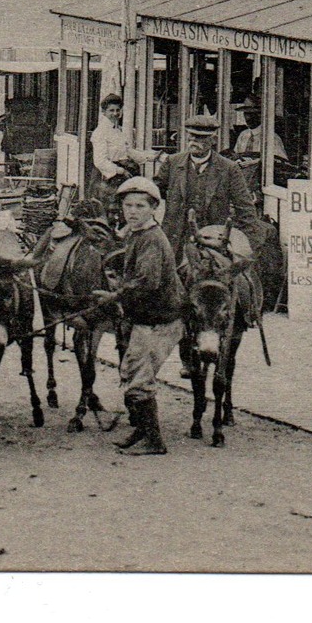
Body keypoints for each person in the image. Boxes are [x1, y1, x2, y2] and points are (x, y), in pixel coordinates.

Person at [106, 177, 184, 457]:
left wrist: (115, 295)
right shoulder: (137, 234)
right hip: (146, 318)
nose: (133, 211)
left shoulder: (151, 238)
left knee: (139, 380)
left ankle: (154, 442)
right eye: (128, 205)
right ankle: (141, 430)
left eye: (140, 206)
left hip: (159, 321)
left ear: (153, 208)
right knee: (130, 372)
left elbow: (148, 282)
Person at [158, 112, 264, 255]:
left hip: (212, 246)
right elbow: (151, 196)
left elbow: (245, 210)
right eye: (191, 135)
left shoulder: (228, 168)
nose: (193, 141)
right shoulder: (172, 163)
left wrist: (247, 247)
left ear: (213, 140)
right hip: (175, 244)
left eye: (200, 137)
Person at [88, 93, 158, 206]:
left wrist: (148, 157)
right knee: (110, 209)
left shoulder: (118, 130)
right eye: (111, 110)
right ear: (104, 112)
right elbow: (100, 161)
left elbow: (127, 151)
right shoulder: (100, 132)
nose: (115, 113)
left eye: (118, 110)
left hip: (121, 175)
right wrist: (121, 171)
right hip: (107, 177)